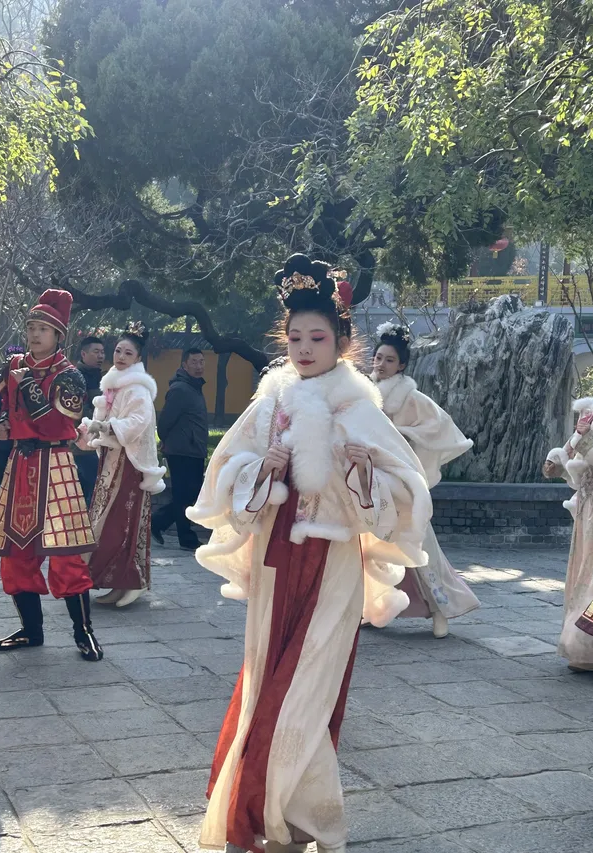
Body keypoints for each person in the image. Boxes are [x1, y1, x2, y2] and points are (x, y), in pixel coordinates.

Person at [187, 254, 432, 853]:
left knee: (309, 682)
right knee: (268, 675)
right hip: (276, 557)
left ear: (343, 341)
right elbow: (225, 473)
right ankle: (281, 813)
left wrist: (362, 475)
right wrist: (259, 468)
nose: (303, 348)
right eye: (294, 337)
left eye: (317, 337)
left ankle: (294, 814)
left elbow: (408, 492)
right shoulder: (271, 401)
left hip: (334, 565)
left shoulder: (360, 408)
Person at [0, 289, 103, 662]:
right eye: (31, 327)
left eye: (43, 329)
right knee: (15, 553)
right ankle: (31, 631)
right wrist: (3, 424)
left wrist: (29, 383)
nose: (34, 335)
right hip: (20, 465)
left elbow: (55, 423)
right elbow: (4, 404)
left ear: (58, 335)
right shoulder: (14, 365)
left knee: (66, 555)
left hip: (56, 466)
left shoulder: (71, 376)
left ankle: (83, 631)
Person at [371, 322, 480, 638]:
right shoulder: (365, 393)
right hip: (372, 483)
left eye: (389, 360)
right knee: (371, 548)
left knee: (419, 545)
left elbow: (440, 425)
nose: (381, 364)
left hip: (403, 484)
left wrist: (402, 435)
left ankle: (440, 609)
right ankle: (374, 607)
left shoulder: (411, 396)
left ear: (402, 365)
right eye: (378, 357)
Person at [83, 324, 166, 608]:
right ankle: (117, 581)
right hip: (111, 461)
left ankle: (134, 580)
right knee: (106, 522)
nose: (120, 356)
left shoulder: (137, 390)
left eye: (127, 352)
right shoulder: (115, 383)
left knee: (124, 522)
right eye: (118, 350)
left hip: (129, 465)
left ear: (137, 358)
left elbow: (136, 424)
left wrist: (104, 426)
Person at [544, 348, 593, 671]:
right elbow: (574, 450)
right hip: (589, 512)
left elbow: (589, 447)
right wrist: (558, 461)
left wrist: (587, 442)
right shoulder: (592, 410)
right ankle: (583, 648)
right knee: (583, 575)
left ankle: (590, 644)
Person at [152, 347, 208, 550]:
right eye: (194, 362)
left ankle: (157, 523)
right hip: (181, 451)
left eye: (201, 361)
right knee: (186, 495)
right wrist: (166, 442)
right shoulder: (180, 389)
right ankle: (186, 538)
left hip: (193, 449)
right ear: (184, 364)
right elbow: (165, 421)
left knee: (189, 495)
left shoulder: (193, 387)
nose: (199, 366)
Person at [0, 345, 24, 504]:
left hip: (22, 444)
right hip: (1, 444)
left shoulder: (26, 384)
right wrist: (6, 423)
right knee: (0, 486)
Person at [73, 336, 105, 506]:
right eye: (96, 352)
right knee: (90, 488)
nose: (100, 356)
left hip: (99, 442)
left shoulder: (103, 378)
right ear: (84, 354)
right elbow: (78, 410)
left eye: (102, 352)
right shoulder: (75, 378)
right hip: (82, 444)